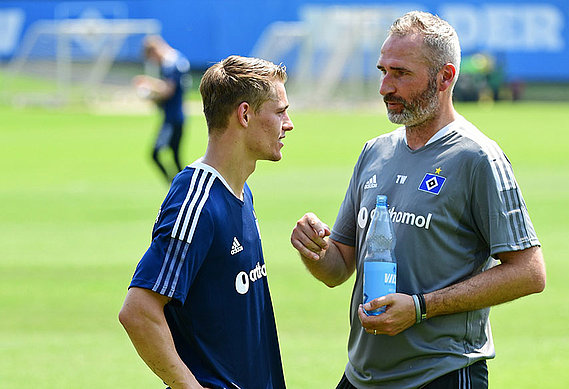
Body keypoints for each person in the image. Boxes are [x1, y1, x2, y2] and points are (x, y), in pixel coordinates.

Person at [290, 11, 546, 389]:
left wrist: (421, 308)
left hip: (441, 374)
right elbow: (339, 268)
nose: (385, 87)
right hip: (361, 376)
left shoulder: (477, 157)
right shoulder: (373, 152)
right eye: (383, 71)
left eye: (401, 73)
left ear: (445, 77)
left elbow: (529, 272)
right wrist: (314, 250)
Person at [120, 55, 293, 389]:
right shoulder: (196, 201)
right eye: (280, 112)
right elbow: (139, 311)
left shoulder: (241, 191)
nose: (288, 124)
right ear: (245, 114)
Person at [134, 35, 191, 182]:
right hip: (175, 116)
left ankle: (175, 187)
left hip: (173, 118)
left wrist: (150, 89)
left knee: (156, 153)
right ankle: (180, 188)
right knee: (175, 157)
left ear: (154, 51)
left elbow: (168, 90)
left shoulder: (172, 62)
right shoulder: (177, 59)